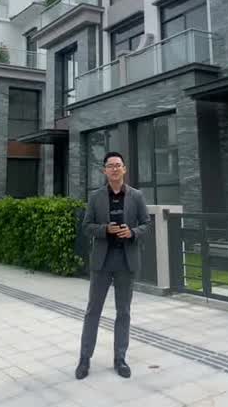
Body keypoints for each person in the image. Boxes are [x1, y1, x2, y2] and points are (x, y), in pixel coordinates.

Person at [75, 151, 152, 380]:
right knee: (93, 311)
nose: (115, 169)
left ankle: (120, 359)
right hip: (102, 261)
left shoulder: (136, 196)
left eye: (118, 165)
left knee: (124, 312)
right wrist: (105, 229)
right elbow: (86, 226)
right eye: (110, 165)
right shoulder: (95, 197)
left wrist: (132, 232)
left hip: (126, 261)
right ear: (105, 171)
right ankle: (84, 359)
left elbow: (147, 224)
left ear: (124, 169)